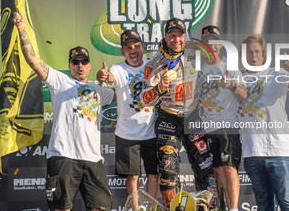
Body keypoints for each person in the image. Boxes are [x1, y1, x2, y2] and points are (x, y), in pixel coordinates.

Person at [13, 11, 114, 211]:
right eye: (75, 62)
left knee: (102, 207)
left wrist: (110, 77)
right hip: (63, 156)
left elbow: (124, 92)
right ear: (69, 65)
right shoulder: (59, 80)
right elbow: (32, 60)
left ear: (89, 65)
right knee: (62, 208)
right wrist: (21, 28)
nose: (80, 66)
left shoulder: (100, 91)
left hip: (93, 158)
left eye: (84, 61)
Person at [140, 18, 214, 208]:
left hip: (193, 114)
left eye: (180, 35)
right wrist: (158, 89)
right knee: (168, 167)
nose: (176, 40)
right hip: (168, 117)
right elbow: (143, 100)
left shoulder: (195, 53)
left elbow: (215, 55)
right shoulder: (155, 63)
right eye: (172, 36)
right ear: (165, 37)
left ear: (185, 36)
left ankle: (207, 206)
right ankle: (172, 207)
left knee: (205, 165)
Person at [238, 36, 289, 211]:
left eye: (257, 51)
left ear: (263, 54)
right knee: (263, 203)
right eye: (249, 52)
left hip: (277, 150)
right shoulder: (237, 79)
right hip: (252, 152)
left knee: (287, 201)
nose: (253, 55)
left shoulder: (277, 74)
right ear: (243, 55)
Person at [96, 30, 159, 205]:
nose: (133, 50)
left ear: (143, 47)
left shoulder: (151, 66)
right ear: (123, 52)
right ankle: (135, 209)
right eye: (128, 47)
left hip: (151, 132)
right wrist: (103, 76)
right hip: (127, 134)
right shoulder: (118, 68)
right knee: (133, 176)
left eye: (136, 46)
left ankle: (153, 208)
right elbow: (109, 78)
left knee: (154, 174)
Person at [198, 25, 247, 211]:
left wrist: (232, 85)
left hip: (228, 124)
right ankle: (223, 208)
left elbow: (243, 95)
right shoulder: (197, 67)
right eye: (208, 42)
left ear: (221, 44)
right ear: (203, 45)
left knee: (229, 168)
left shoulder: (230, 65)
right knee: (217, 170)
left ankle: (233, 209)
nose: (212, 45)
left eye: (215, 42)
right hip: (207, 126)